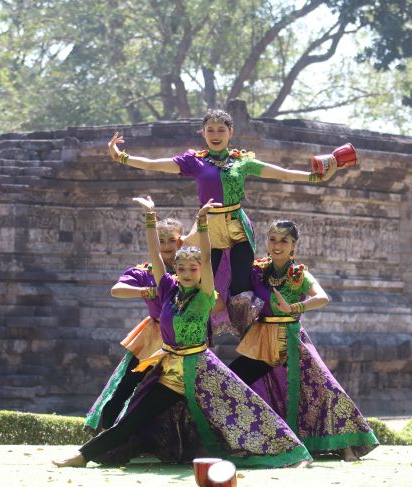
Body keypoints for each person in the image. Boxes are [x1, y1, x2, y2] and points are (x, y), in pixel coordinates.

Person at [53, 199, 311, 468]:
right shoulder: (166, 290)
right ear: (174, 270)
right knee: (134, 417)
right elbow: (155, 253)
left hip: (202, 371)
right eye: (182, 268)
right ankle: (83, 456)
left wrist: (202, 223)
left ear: (201, 272)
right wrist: (150, 217)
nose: (187, 273)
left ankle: (295, 453)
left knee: (247, 410)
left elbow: (209, 256)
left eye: (193, 269)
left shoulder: (204, 296)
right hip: (172, 370)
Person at [107, 109, 357, 314]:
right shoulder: (194, 161)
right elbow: (154, 164)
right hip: (208, 228)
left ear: (230, 132)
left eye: (221, 130)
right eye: (210, 130)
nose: (216, 135)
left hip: (237, 225)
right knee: (206, 285)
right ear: (203, 133)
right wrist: (122, 157)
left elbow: (282, 172)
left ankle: (257, 324)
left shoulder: (242, 161)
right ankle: (196, 330)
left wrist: (316, 177)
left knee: (241, 284)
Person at [228, 220, 379, 461]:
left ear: (293, 246)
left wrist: (295, 306)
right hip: (261, 340)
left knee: (323, 390)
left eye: (284, 241)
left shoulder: (298, 273)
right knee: (232, 382)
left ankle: (345, 444)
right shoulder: (257, 270)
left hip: (292, 341)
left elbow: (322, 297)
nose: (277, 245)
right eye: (273, 239)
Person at [84, 218, 184, 432]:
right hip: (153, 337)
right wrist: (146, 291)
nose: (166, 246)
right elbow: (116, 290)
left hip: (183, 338)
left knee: (180, 392)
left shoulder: (190, 269)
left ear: (180, 243)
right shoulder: (143, 272)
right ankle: (107, 435)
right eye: (161, 241)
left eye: (171, 240)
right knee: (128, 384)